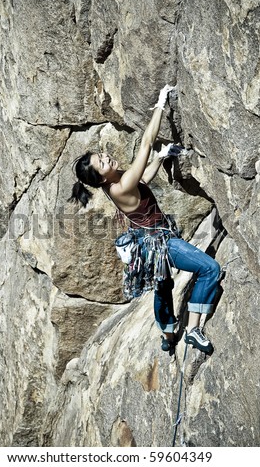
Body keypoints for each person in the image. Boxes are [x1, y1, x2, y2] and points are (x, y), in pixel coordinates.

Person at [68, 85, 221, 354]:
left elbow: (143, 180)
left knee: (163, 287)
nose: (107, 157)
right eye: (102, 162)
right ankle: (193, 330)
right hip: (160, 242)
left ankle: (168, 332)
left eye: (102, 155)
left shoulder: (115, 185)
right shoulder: (120, 184)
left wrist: (162, 158)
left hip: (146, 243)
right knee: (209, 269)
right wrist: (160, 104)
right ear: (102, 178)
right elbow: (147, 142)